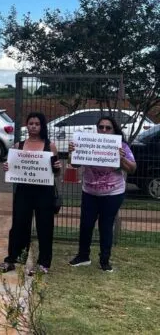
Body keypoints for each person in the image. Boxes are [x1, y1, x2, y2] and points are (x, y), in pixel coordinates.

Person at [68, 116, 136, 272]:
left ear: (114, 130)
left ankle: (104, 260)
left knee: (106, 226)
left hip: (113, 194)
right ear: (97, 128)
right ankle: (83, 256)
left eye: (108, 127)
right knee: (86, 225)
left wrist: (121, 159)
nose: (104, 130)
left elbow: (132, 168)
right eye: (101, 127)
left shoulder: (122, 146)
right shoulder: (88, 143)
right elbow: (75, 164)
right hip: (90, 192)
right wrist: (73, 152)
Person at [0, 112, 62, 275]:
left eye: (37, 124)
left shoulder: (50, 146)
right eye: (31, 123)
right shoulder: (18, 146)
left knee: (45, 227)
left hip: (44, 192)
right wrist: (8, 167)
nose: (33, 126)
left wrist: (57, 167)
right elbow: (11, 167)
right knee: (19, 225)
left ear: (42, 126)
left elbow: (56, 173)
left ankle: (43, 263)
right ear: (27, 125)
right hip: (24, 191)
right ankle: (13, 259)